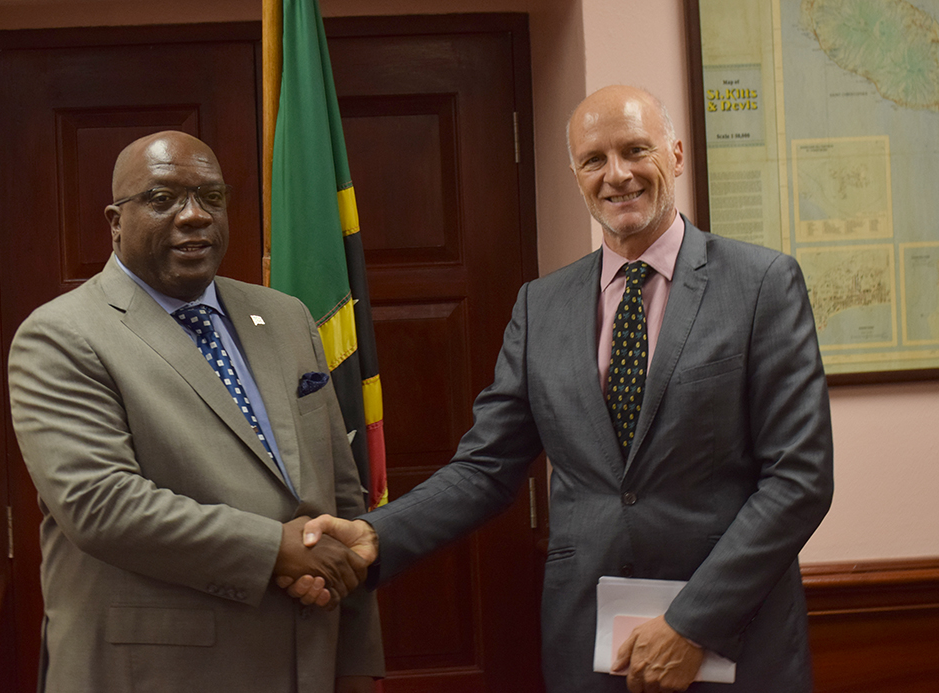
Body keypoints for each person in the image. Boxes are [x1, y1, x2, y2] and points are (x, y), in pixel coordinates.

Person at [288, 86, 834, 693]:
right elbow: (486, 468)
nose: (616, 174)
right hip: (589, 648)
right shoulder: (540, 305)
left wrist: (690, 624)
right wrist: (375, 534)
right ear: (576, 176)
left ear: (676, 155)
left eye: (635, 150)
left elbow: (799, 480)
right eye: (594, 159)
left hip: (735, 642)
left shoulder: (762, 285)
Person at [8, 131, 384, 693]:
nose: (195, 216)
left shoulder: (285, 317)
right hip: (158, 672)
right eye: (163, 199)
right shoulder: (61, 336)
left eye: (211, 197)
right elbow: (101, 504)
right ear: (115, 222)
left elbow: (342, 498)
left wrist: (356, 663)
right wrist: (273, 550)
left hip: (310, 658)